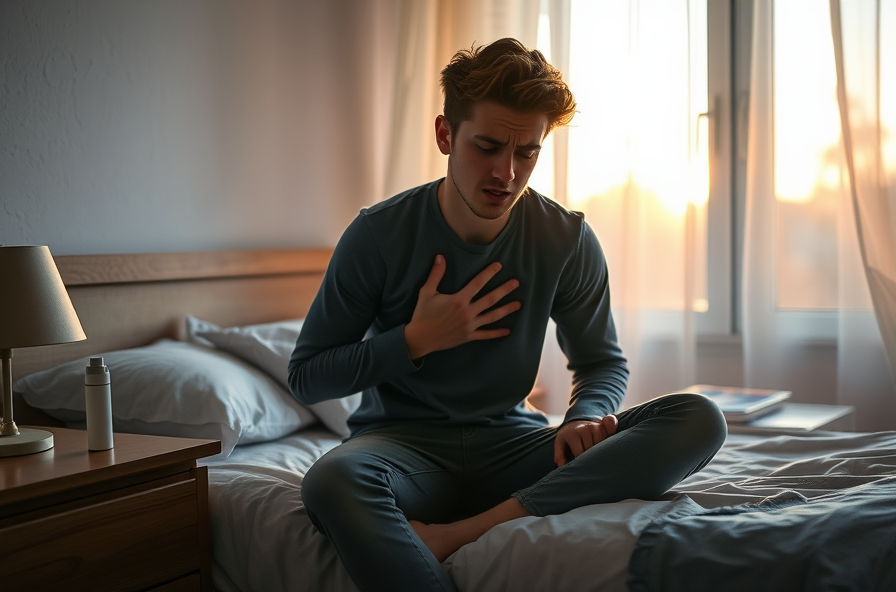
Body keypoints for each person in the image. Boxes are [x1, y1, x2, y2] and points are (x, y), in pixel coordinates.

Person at [289, 37, 727, 592]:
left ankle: (462, 532)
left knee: (699, 417)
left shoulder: (565, 238)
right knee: (330, 481)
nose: (507, 173)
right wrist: (416, 339)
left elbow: (601, 362)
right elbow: (307, 377)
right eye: (488, 147)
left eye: (527, 153)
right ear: (445, 136)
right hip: (405, 453)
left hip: (514, 448)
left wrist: (584, 417)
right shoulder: (377, 235)